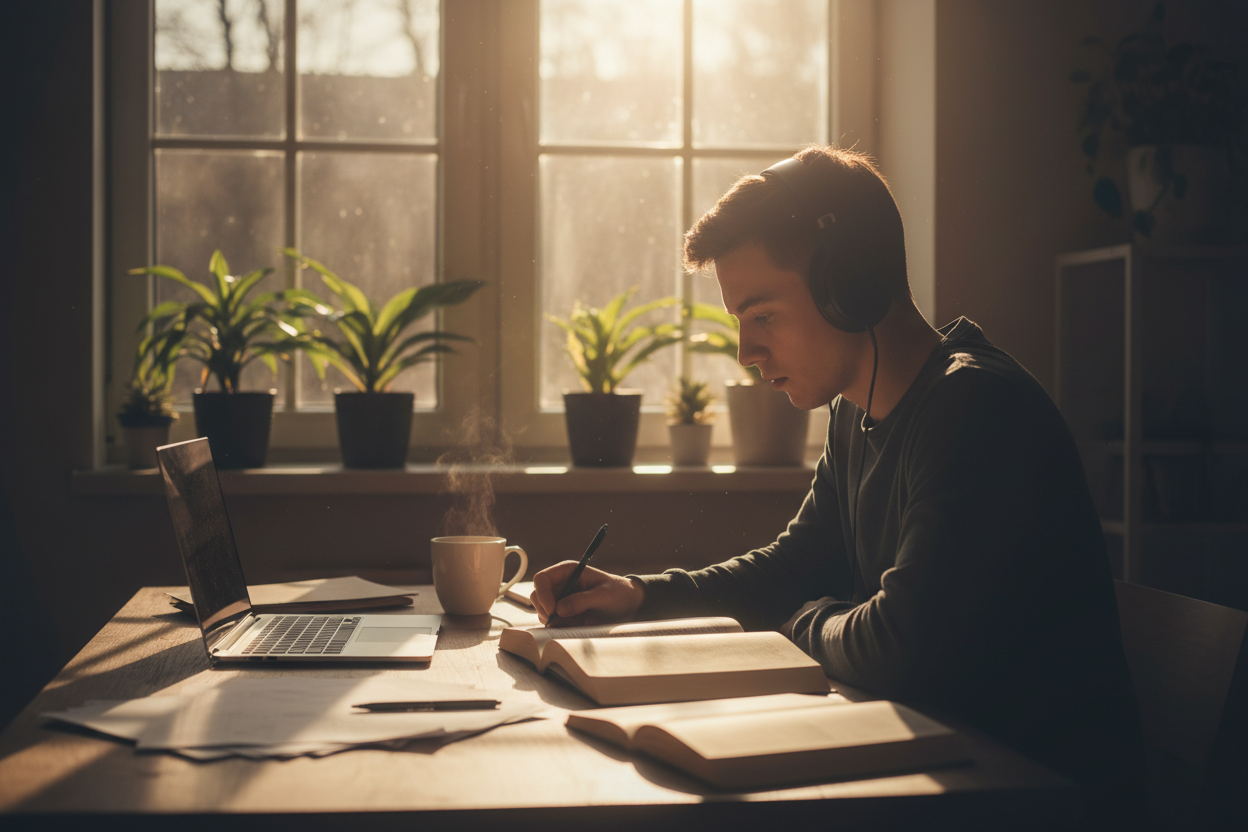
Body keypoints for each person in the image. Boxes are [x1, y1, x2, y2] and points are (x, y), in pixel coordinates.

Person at [531, 145, 1144, 826]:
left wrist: (803, 621)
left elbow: (900, 651)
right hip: (940, 779)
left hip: (1031, 803)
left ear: (850, 286)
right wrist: (640, 595)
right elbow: (795, 566)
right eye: (740, 322)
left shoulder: (973, 410)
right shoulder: (860, 408)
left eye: (763, 316)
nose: (747, 352)